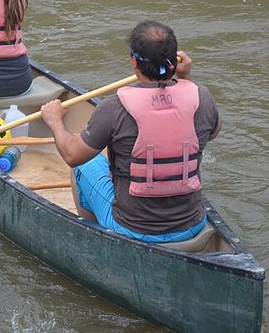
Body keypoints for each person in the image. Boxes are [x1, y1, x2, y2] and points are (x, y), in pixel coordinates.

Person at [40, 21, 222, 243]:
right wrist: (185, 78)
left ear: (134, 62)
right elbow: (210, 133)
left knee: (84, 163)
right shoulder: (202, 97)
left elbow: (71, 155)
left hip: (133, 228)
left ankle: (99, 236)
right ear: (175, 60)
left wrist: (55, 121)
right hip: (192, 225)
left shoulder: (114, 108)